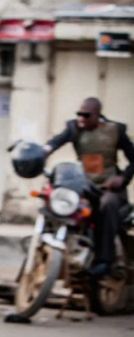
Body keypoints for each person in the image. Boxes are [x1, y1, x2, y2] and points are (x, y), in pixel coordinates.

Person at [44, 97, 134, 278]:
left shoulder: (115, 130)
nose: (81, 118)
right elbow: (55, 143)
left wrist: (122, 178)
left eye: (86, 115)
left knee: (107, 205)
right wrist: (41, 151)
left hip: (109, 188)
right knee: (61, 202)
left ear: (98, 115)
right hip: (85, 185)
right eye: (79, 114)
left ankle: (104, 262)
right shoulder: (74, 128)